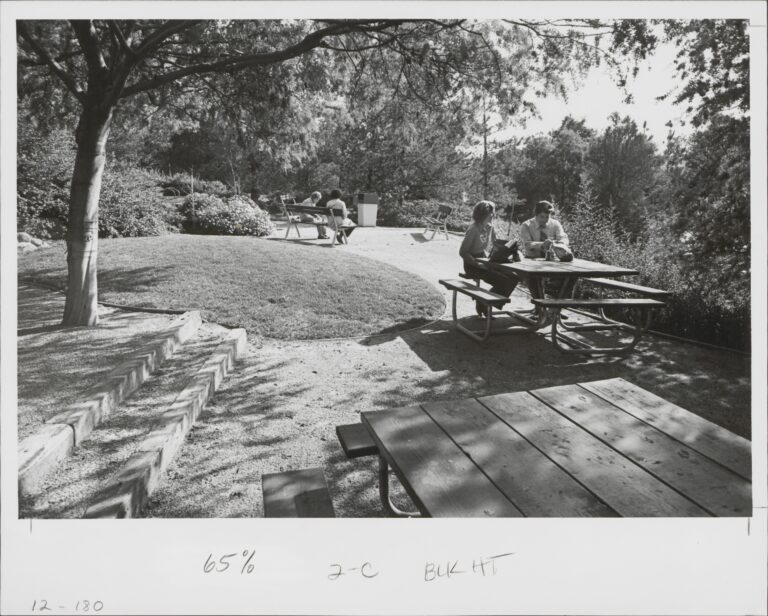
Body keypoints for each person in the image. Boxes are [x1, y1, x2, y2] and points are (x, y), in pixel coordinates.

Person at [459, 200, 518, 317]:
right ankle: (484, 303)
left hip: (485, 260)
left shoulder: (490, 227)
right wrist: (476, 263)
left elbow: (494, 244)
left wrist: (508, 248)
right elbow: (463, 252)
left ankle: (486, 303)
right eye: (491, 213)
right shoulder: (473, 229)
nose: (493, 215)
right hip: (472, 264)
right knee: (503, 280)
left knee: (514, 277)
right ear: (483, 214)